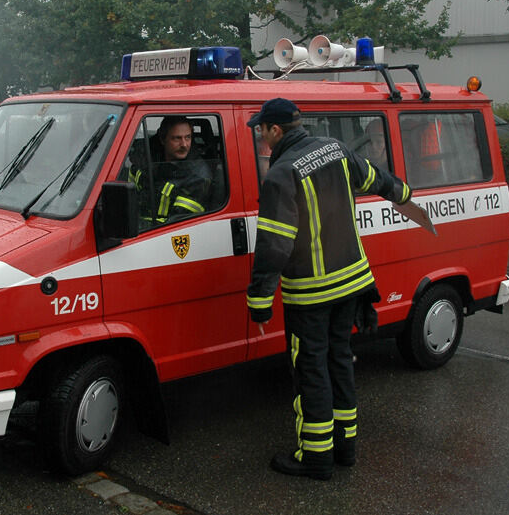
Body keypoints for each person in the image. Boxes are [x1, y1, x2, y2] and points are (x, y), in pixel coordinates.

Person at [245, 98, 436, 481]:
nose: (260, 136)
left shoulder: (281, 175)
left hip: (312, 295)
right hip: (352, 283)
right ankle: (345, 448)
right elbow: (376, 179)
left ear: (277, 130)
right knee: (339, 362)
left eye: (261, 129)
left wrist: (259, 300)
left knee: (310, 370)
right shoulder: (335, 149)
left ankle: (316, 458)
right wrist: (404, 193)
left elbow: (274, 245)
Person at [129, 116, 212, 223]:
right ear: (163, 140)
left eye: (188, 137)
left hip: (162, 233)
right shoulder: (143, 161)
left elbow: (181, 223)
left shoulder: (199, 176)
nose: (184, 145)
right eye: (177, 138)